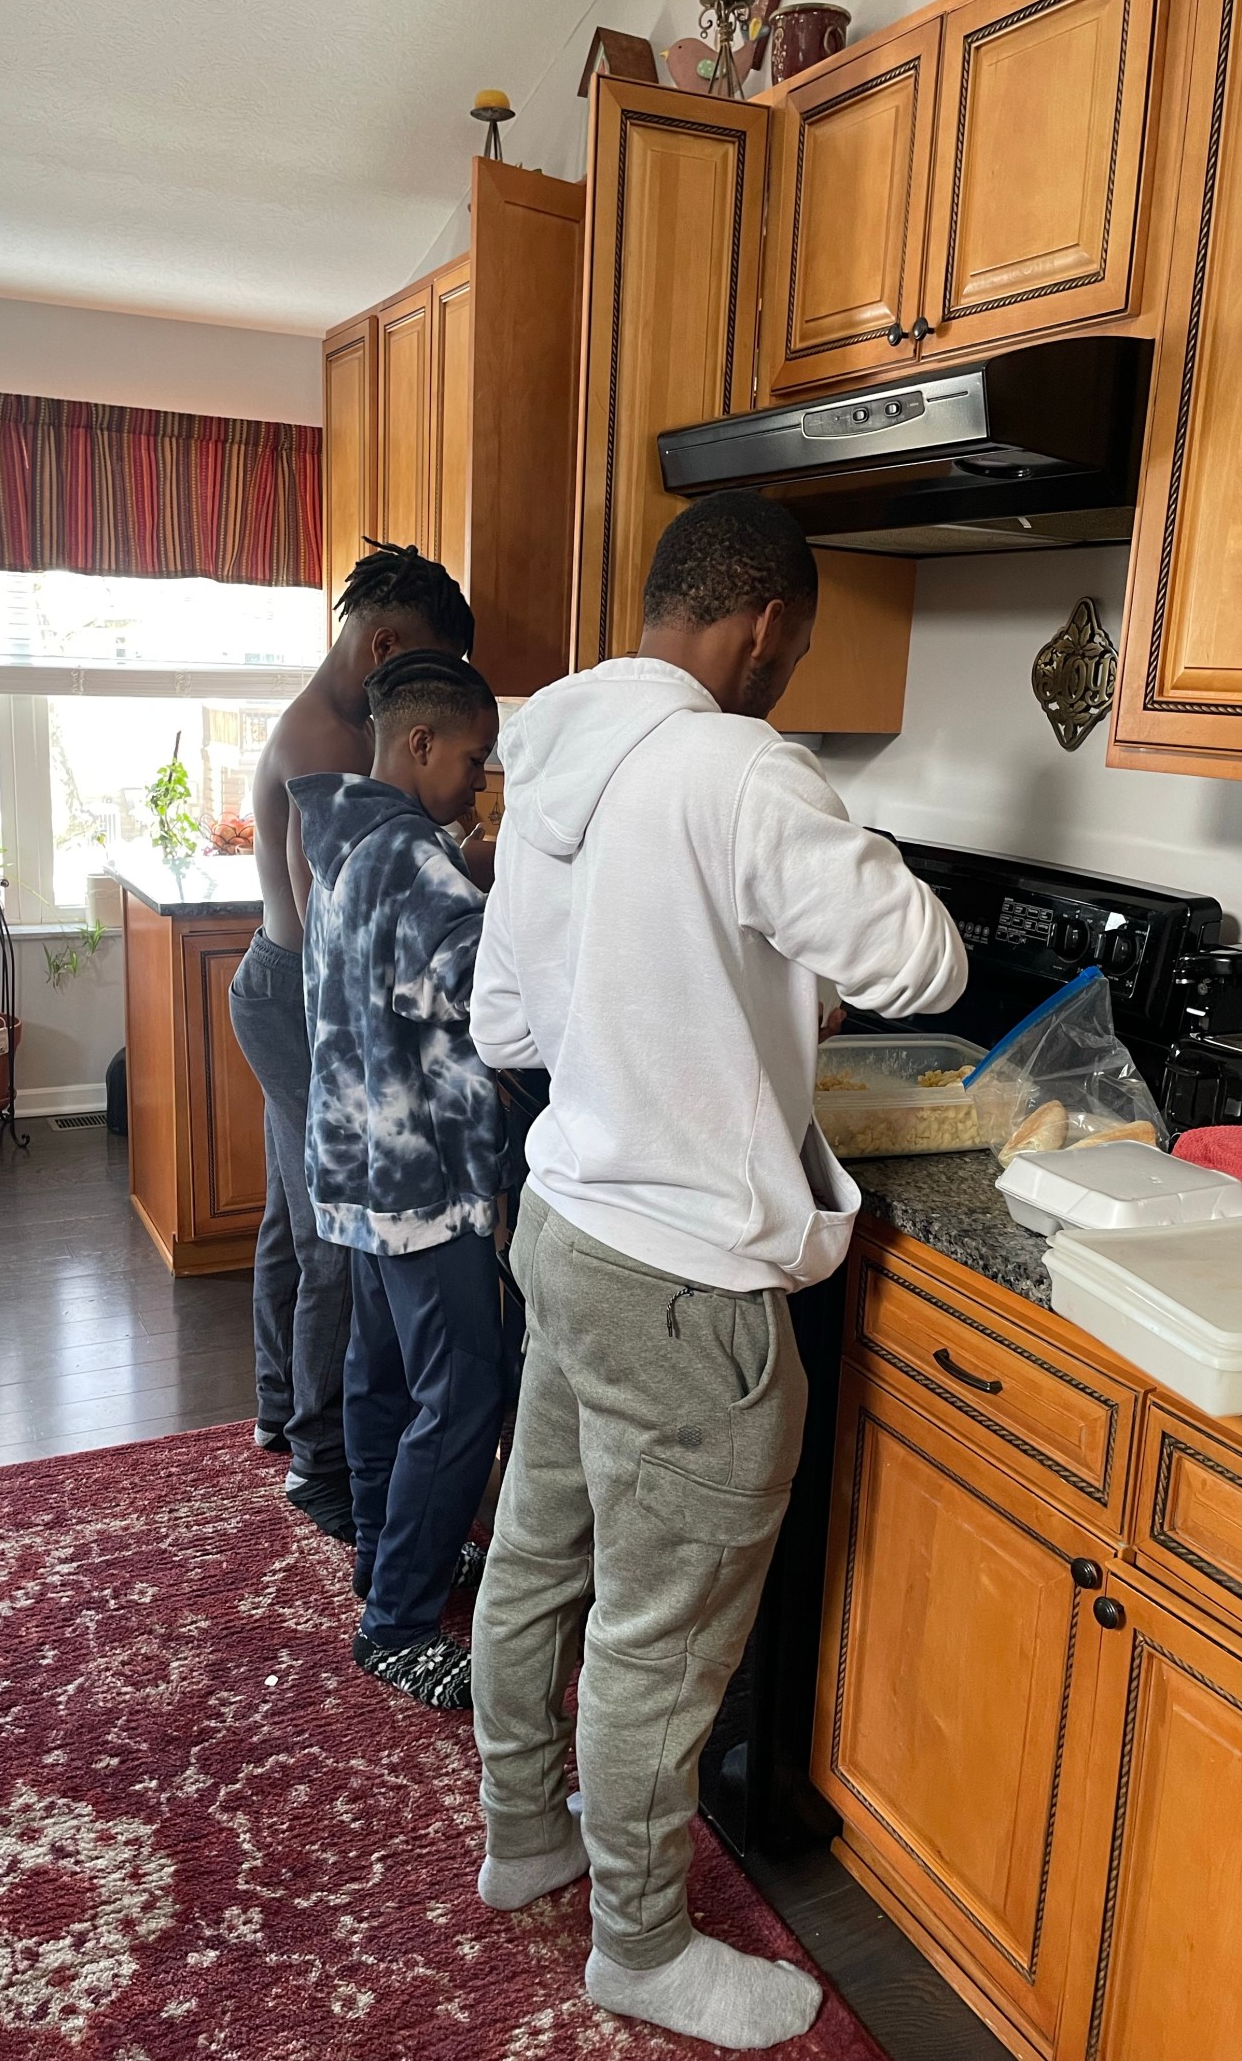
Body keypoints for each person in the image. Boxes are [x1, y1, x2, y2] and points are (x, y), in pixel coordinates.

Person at [467, 490, 967, 2050]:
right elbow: (928, 959)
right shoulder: (743, 767)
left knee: (538, 1554)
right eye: (798, 649)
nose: (790, 671)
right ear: (768, 625)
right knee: (661, 1638)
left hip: (568, 1227)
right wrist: (786, 946)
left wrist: (707, 987)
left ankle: (524, 1832)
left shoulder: (549, 758)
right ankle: (640, 1943)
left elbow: (507, 1023)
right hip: (686, 1284)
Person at [229, 542, 475, 1542]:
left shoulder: (327, 722)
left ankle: (278, 1408)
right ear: (384, 645)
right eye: (426, 664)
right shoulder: (327, 747)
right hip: (299, 1000)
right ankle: (319, 1461)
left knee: (291, 1217)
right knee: (338, 1231)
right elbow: (343, 935)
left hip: (275, 982)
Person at [288, 651, 510, 1711]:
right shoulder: (415, 862)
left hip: (355, 1164)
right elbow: (494, 997)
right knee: (462, 1392)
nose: (479, 781)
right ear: (421, 742)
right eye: (473, 759)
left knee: (381, 1379)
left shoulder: (343, 837)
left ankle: (387, 1557)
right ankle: (399, 1624)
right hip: (423, 1176)